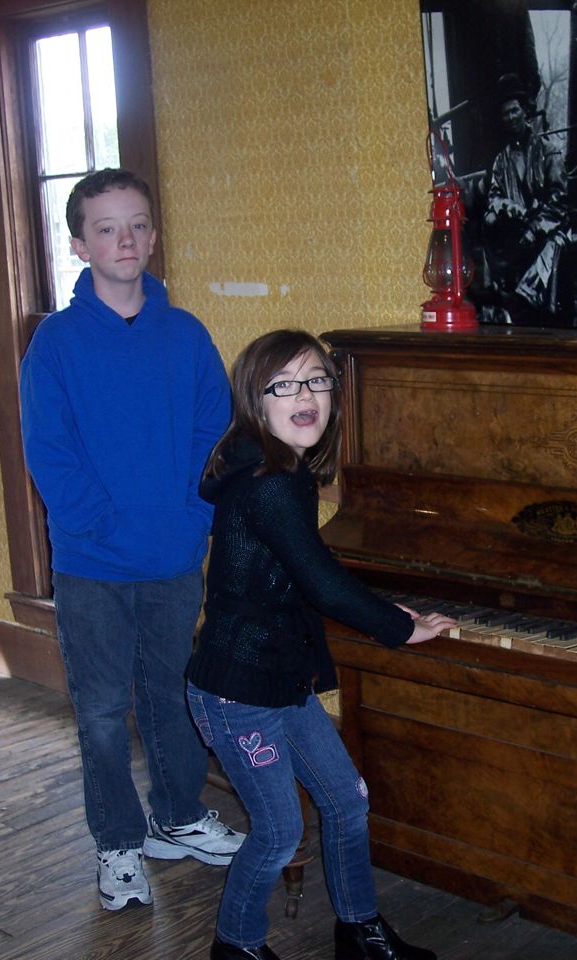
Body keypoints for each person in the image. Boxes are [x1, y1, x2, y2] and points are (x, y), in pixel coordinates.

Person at [184, 330, 457, 960]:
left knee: (346, 801)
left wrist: (385, 608)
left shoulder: (281, 469)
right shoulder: (272, 482)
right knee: (280, 832)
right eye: (283, 385)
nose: (304, 396)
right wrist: (400, 626)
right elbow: (322, 583)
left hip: (280, 681)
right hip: (236, 691)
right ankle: (237, 948)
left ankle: (360, 933)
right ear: (254, 401)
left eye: (315, 380)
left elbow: (308, 568)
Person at [20, 168, 244, 912]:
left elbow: (213, 436)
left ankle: (177, 817)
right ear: (80, 245)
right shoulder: (55, 344)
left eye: (138, 225)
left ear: (153, 236)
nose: (126, 240)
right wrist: (105, 527)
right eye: (108, 228)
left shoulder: (186, 336)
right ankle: (117, 841)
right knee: (100, 709)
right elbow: (50, 453)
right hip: (93, 563)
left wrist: (192, 518)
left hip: (174, 555)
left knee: (173, 695)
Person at [481, 73, 569, 323]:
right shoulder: (501, 161)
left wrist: (535, 228)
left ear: (525, 112)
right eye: (505, 114)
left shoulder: (549, 152)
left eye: (514, 111)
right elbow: (494, 196)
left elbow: (559, 201)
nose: (510, 117)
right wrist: (507, 208)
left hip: (548, 230)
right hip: (516, 230)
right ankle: (501, 296)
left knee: (555, 245)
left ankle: (525, 299)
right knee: (489, 227)